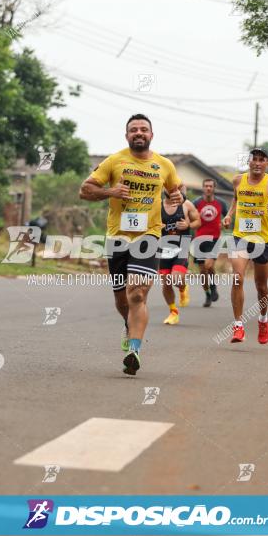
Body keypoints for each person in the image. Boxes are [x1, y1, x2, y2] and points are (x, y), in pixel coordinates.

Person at [79, 114, 182, 375]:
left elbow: (177, 190)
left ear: (151, 135)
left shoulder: (164, 164)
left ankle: (134, 350)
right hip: (118, 237)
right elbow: (85, 190)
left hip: (149, 235)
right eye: (134, 129)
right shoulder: (114, 161)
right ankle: (128, 324)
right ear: (127, 136)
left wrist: (177, 196)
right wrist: (110, 192)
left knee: (137, 293)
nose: (139, 132)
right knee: (122, 298)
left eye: (144, 129)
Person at [222, 148, 268, 344]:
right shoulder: (238, 181)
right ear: (249, 162)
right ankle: (238, 326)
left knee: (261, 286)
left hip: (262, 240)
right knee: (237, 278)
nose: (258, 163)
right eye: (255, 159)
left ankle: (263, 319)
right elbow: (236, 199)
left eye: (262, 160)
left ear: (266, 164)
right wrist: (229, 215)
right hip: (240, 237)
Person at [159, 187, 201, 324]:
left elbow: (198, 222)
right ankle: (173, 312)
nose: (171, 189)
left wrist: (188, 224)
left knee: (176, 279)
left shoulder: (186, 204)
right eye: (167, 186)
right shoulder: (157, 205)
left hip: (182, 245)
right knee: (166, 281)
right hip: (164, 246)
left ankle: (183, 288)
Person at [192, 178, 229, 307]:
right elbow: (189, 216)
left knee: (209, 265)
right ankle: (208, 294)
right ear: (203, 188)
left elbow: (228, 217)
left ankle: (213, 287)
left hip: (214, 239)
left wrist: (225, 222)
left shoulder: (221, 203)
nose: (208, 188)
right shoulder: (196, 203)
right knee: (202, 271)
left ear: (214, 188)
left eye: (210, 186)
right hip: (199, 239)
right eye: (206, 186)